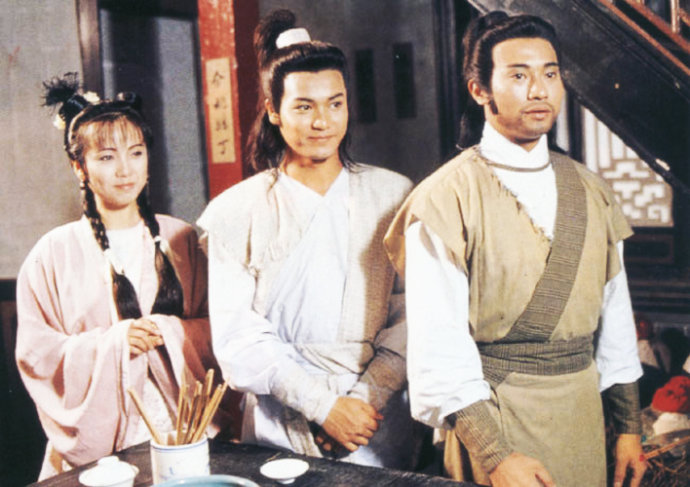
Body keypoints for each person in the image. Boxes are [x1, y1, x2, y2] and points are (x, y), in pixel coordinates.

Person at [384, 12, 646, 487]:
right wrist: (495, 455)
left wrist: (628, 428)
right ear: (479, 90)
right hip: (495, 418)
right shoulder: (445, 198)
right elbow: (438, 349)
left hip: (582, 416)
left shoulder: (592, 190)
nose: (539, 90)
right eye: (519, 76)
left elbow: (616, 315)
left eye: (550, 74)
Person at [197, 9, 420, 469]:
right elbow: (239, 339)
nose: (322, 121)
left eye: (335, 104)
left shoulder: (395, 196)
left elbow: (412, 316)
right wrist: (322, 407)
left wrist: (364, 401)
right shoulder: (235, 212)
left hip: (374, 418)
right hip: (280, 418)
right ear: (273, 111)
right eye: (304, 106)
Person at [15, 74, 233, 479]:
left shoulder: (183, 238)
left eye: (136, 153)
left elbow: (226, 325)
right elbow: (37, 353)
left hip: (184, 430)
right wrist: (116, 343)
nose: (125, 170)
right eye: (106, 157)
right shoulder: (52, 253)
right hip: (101, 445)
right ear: (78, 167)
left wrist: (169, 331)